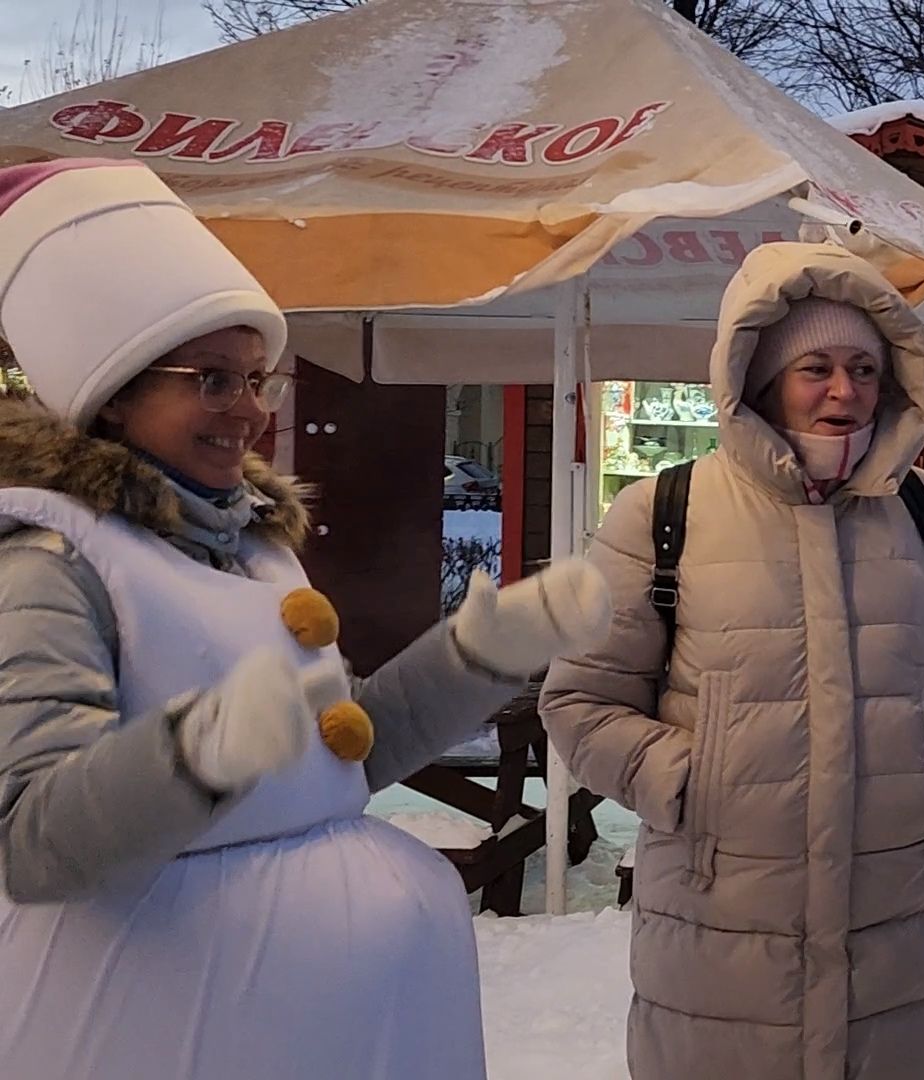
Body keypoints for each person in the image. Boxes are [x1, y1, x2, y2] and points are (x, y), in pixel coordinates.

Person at [0, 159, 611, 1079]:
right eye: (211, 379)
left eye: (258, 378)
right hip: (154, 1034)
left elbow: (340, 755)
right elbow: (33, 843)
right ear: (115, 389)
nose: (248, 410)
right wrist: (193, 752)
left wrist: (479, 655)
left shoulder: (249, 545)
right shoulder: (48, 560)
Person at [540, 243, 924, 1080]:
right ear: (759, 376)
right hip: (719, 939)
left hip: (899, 936)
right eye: (817, 367)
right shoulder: (663, 511)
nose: (845, 391)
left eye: (865, 368)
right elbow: (580, 700)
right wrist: (693, 780)